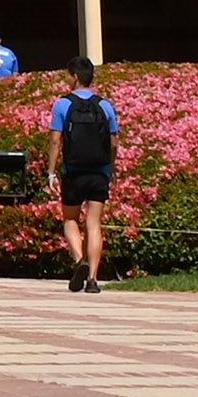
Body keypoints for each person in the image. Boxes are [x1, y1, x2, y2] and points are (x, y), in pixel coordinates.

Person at [45, 57, 118, 292]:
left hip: (74, 172)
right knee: (94, 224)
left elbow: (56, 140)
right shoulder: (105, 105)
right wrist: (110, 169)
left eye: (68, 76)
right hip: (99, 172)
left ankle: (80, 261)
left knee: (70, 220)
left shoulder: (63, 105)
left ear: (75, 77)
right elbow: (114, 142)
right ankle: (93, 280)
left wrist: (51, 172)